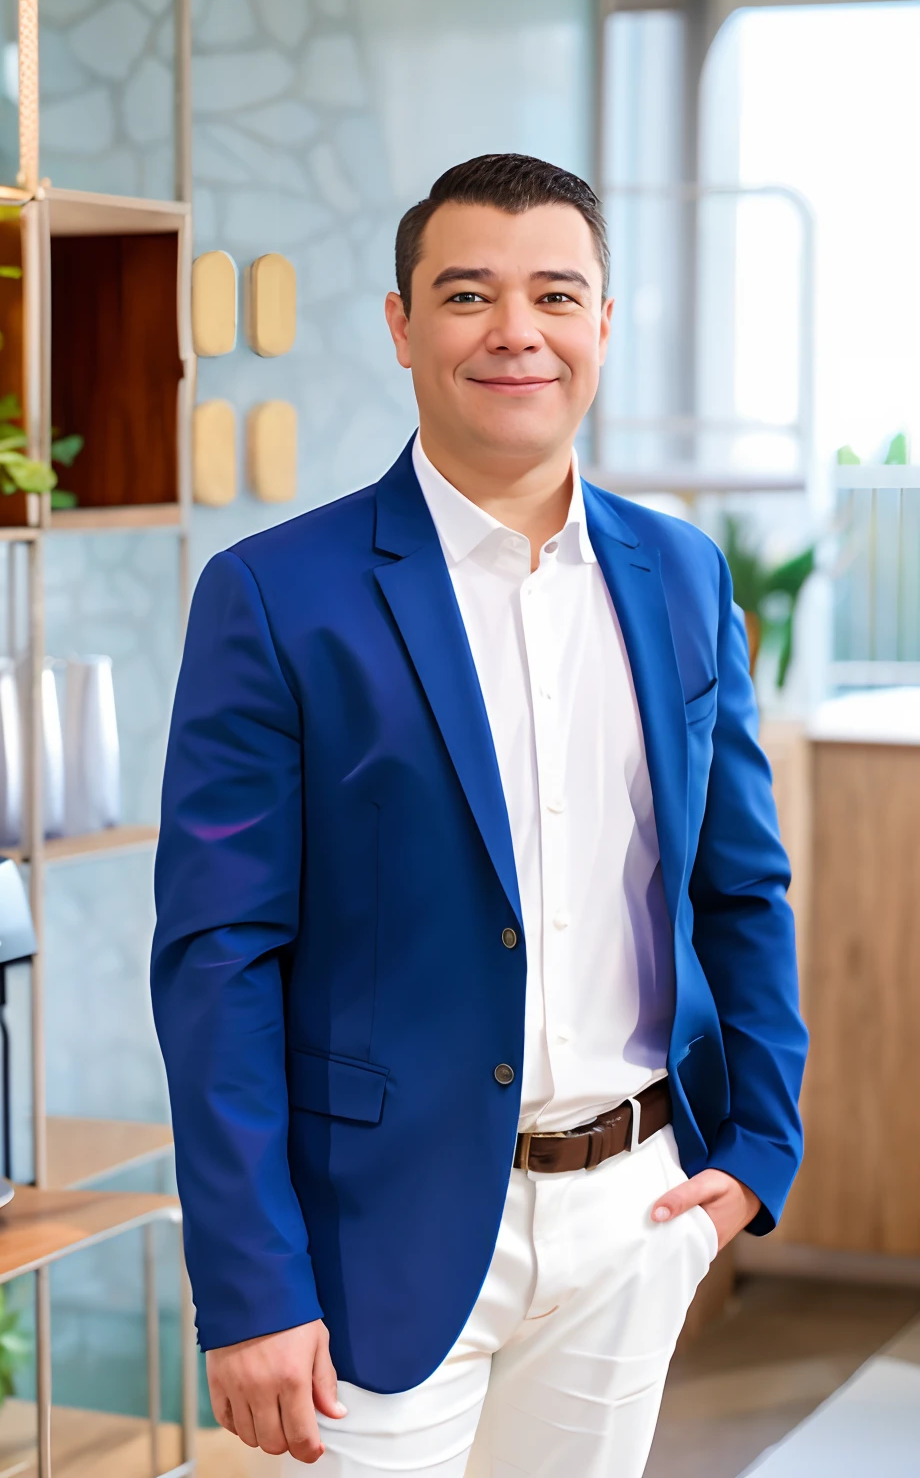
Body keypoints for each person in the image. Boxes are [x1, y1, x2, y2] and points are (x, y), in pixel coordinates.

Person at [151, 152, 807, 1478]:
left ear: (604, 325)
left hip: (633, 1209)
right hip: (371, 1233)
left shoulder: (679, 573)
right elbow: (217, 958)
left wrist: (758, 1145)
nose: (517, 330)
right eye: (468, 295)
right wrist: (252, 1282)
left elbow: (738, 883)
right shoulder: (277, 596)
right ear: (402, 326)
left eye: (557, 295)